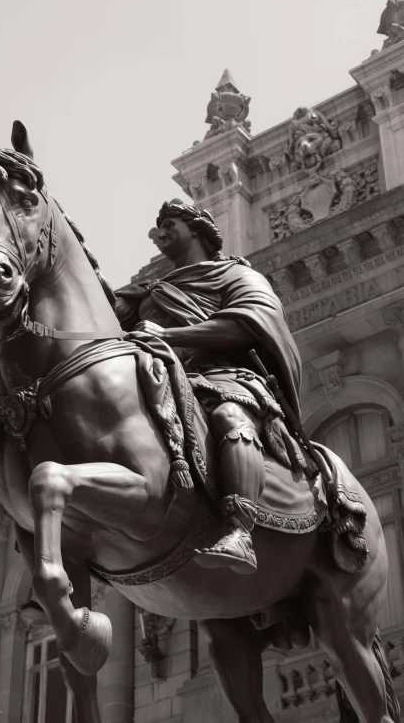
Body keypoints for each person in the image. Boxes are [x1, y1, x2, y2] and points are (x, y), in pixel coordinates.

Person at [116, 199, 307, 574]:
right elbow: (100, 322)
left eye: (170, 222)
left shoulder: (237, 276)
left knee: (229, 416)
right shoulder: (150, 293)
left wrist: (167, 334)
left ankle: (239, 530)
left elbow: (247, 326)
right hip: (165, 378)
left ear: (197, 228)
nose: (160, 232)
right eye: (158, 226)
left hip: (226, 377)